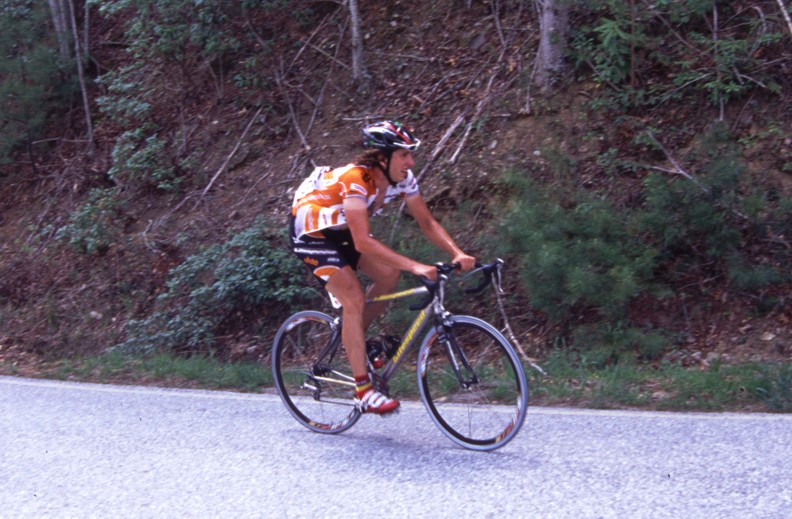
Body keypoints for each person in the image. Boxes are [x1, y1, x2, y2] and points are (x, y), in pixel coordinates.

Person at [288, 120, 476, 414]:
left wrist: (457, 252)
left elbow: (426, 222)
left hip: (342, 231)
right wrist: (416, 266)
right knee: (353, 298)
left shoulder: (403, 179)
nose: (411, 162)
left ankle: (356, 342)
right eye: (403, 155)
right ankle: (363, 391)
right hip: (312, 234)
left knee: (389, 275)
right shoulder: (357, 179)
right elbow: (362, 241)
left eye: (410, 154)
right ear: (381, 158)